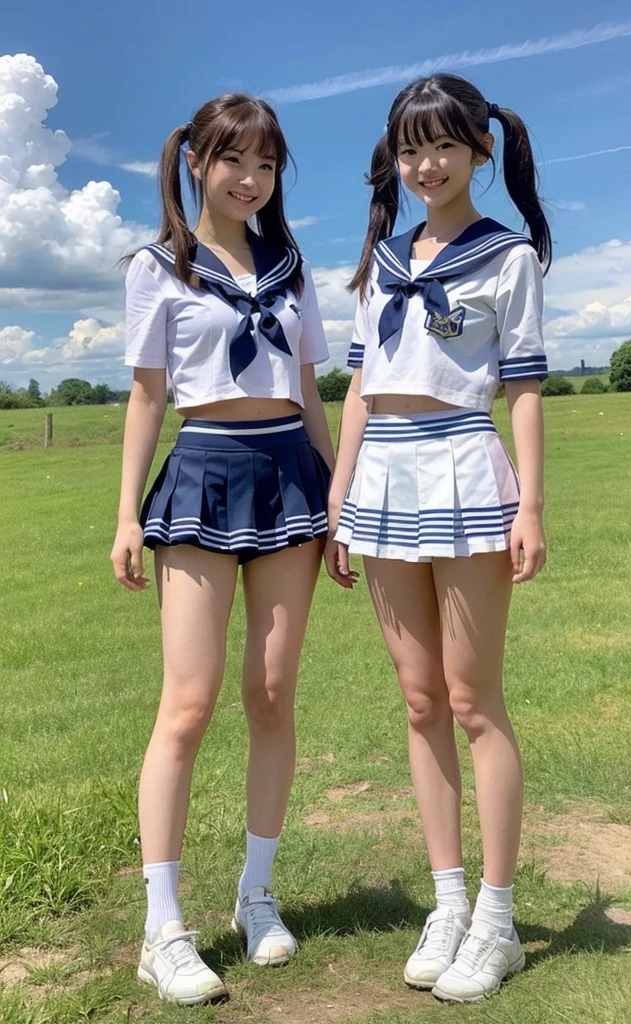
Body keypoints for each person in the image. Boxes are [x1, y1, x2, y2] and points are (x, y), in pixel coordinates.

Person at [325, 73, 551, 1004]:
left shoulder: (511, 258)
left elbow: (526, 386)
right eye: (411, 149)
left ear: (480, 153)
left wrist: (529, 504)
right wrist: (338, 502)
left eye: (444, 147)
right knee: (418, 700)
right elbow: (358, 389)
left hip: (464, 465)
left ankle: (497, 920)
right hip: (382, 474)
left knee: (471, 697)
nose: (427, 165)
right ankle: (448, 902)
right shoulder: (380, 258)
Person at [110, 92, 333, 1007]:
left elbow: (313, 388)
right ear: (197, 160)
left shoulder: (290, 264)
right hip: (202, 474)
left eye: (267, 164)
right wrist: (126, 515)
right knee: (190, 702)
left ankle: (257, 896)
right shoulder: (158, 267)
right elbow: (147, 397)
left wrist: (339, 500)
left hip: (289, 475)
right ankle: (163, 927)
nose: (251, 179)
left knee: (273, 693)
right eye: (234, 160)